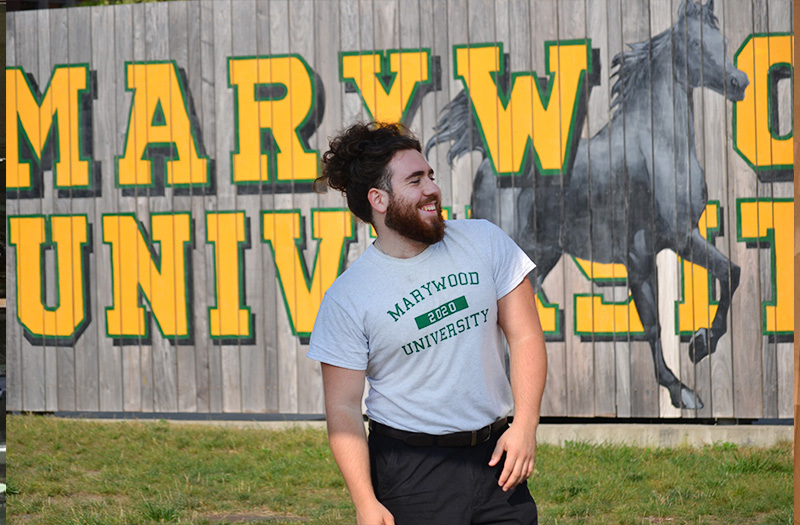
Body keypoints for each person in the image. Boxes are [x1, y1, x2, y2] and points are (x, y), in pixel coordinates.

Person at [308, 121, 547, 525]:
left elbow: (525, 335)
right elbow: (344, 408)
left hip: (496, 457)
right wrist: (365, 502)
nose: (432, 188)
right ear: (378, 199)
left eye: (431, 176)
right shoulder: (348, 297)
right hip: (411, 470)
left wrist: (524, 427)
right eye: (415, 180)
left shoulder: (483, 241)